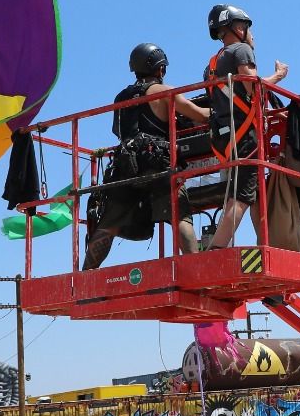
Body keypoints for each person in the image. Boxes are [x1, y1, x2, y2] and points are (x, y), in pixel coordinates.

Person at [83, 43, 210, 269]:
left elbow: (117, 131)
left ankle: (86, 274)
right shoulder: (163, 92)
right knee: (179, 214)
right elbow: (200, 116)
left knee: (109, 223)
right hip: (157, 161)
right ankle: (196, 267)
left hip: (125, 165)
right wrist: (224, 107)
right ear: (160, 69)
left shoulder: (120, 98)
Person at [202, 5, 289, 249]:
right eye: (247, 28)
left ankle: (265, 243)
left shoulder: (212, 63)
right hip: (244, 135)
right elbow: (255, 87)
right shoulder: (241, 50)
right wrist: (278, 76)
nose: (251, 34)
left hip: (223, 136)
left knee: (253, 192)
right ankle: (216, 250)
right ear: (238, 27)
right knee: (240, 196)